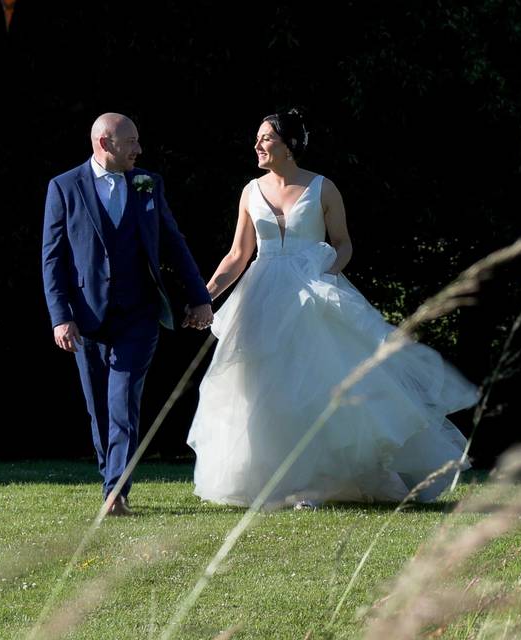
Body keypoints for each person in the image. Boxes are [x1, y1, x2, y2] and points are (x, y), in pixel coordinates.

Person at [186, 108, 479, 510]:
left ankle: (315, 482)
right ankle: (272, 479)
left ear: (289, 145)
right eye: (257, 138)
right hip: (262, 298)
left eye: (266, 138)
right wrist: (206, 295)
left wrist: (326, 271)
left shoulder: (323, 188)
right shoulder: (250, 191)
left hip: (314, 293)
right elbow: (239, 254)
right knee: (263, 389)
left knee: (316, 386)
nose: (257, 145)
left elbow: (343, 243)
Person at [43, 113, 213, 516]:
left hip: (139, 313)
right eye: (131, 141)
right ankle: (110, 480)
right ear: (105, 143)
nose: (139, 149)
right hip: (86, 318)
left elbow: (173, 242)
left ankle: (116, 491)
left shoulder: (147, 184)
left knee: (123, 401)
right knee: (98, 408)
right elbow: (52, 259)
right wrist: (59, 316)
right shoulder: (64, 187)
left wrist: (199, 297)